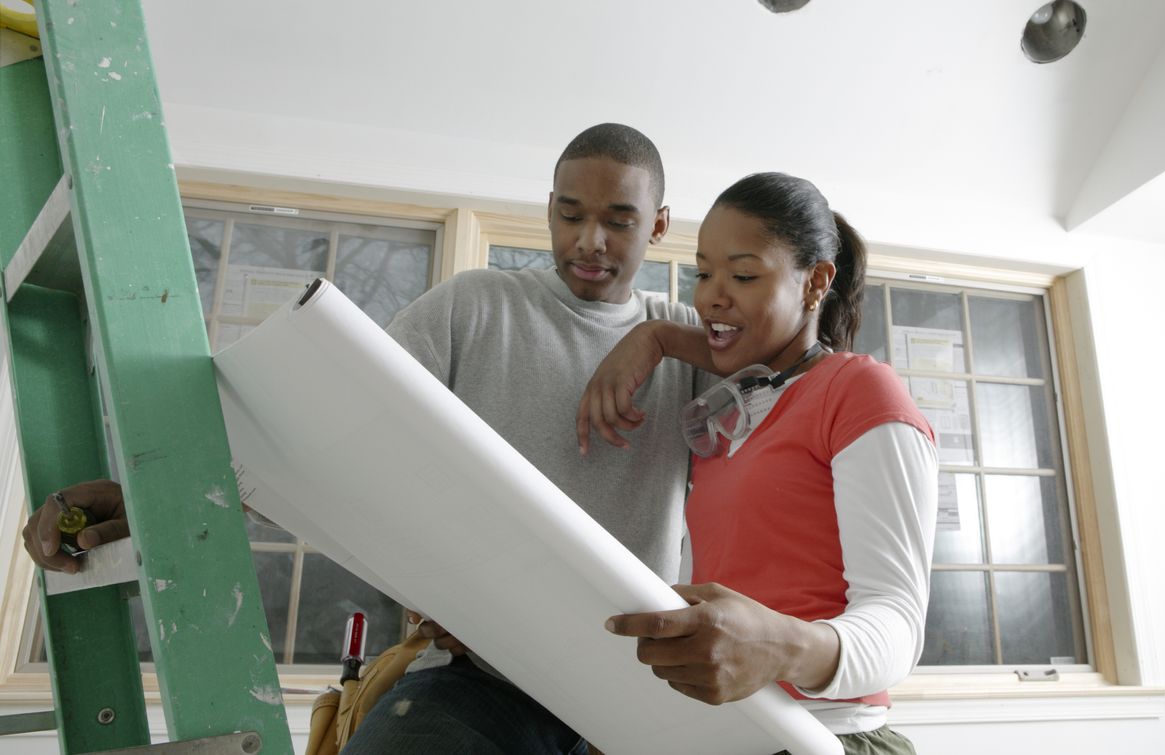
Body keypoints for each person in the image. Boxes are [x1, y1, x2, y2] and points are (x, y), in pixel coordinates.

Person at [23, 123, 706, 755]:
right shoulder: (473, 306)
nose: (590, 240)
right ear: (549, 207)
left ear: (661, 225)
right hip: (476, 675)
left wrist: (656, 337)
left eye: (619, 221)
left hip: (634, 695)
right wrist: (146, 499)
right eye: (570, 213)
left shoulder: (693, 343)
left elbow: (800, 368)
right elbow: (316, 439)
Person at [578, 172, 938, 754]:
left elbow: (897, 627)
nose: (712, 295)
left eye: (743, 275)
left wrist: (780, 647)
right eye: (703, 273)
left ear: (817, 281)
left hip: (825, 737)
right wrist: (655, 337)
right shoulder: (744, 413)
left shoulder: (860, 391)